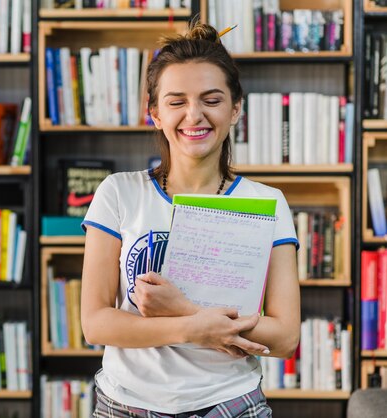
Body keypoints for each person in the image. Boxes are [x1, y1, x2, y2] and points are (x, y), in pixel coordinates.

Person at [80, 21, 301, 418]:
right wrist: (194, 327)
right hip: (125, 405)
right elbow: (96, 324)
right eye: (176, 101)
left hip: (231, 404)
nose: (193, 115)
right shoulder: (119, 193)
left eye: (211, 100)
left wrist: (183, 308)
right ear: (155, 114)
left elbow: (285, 337)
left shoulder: (268, 202)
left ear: (235, 109)